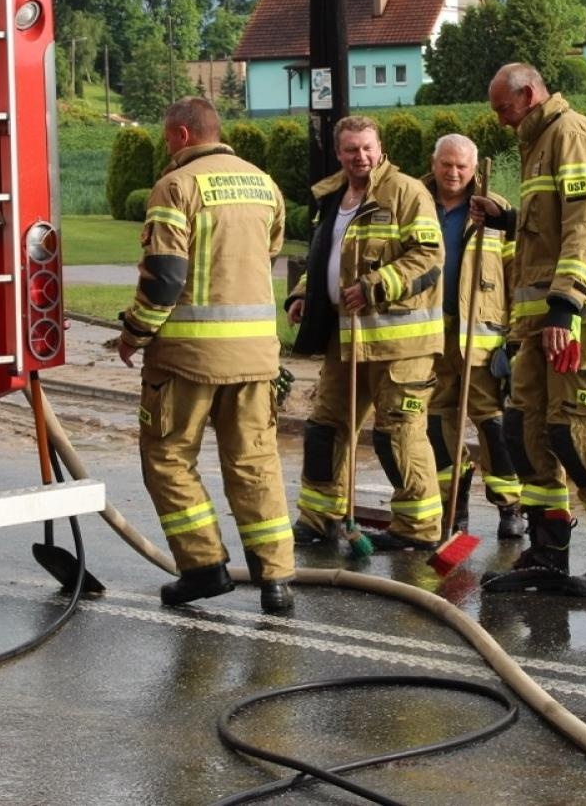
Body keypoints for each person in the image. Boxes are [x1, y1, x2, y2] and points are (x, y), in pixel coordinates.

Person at [116, 97, 296, 613]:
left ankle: (202, 568)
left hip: (187, 360)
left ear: (179, 135)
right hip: (257, 356)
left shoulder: (176, 186)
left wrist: (135, 334)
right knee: (255, 463)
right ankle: (276, 581)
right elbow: (268, 255)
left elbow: (166, 277)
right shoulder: (264, 183)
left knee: (168, 458)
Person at [474, 63, 586, 596]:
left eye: (504, 109)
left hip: (584, 319)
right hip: (542, 327)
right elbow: (549, 224)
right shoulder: (540, 140)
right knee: (528, 430)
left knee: (576, 433)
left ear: (528, 95)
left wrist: (565, 308)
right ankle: (548, 550)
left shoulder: (568, 133)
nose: (501, 121)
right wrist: (507, 219)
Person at [286, 115, 445, 552]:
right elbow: (326, 258)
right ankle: (319, 518)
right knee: (324, 428)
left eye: (368, 148)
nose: (361, 157)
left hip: (401, 344)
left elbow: (430, 256)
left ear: (380, 147)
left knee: (397, 433)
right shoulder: (335, 196)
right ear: (339, 153)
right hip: (347, 339)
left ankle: (418, 527)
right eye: (352, 149)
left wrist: (376, 286)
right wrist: (304, 295)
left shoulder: (407, 192)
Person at [422, 133, 524, 541]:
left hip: (480, 339)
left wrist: (516, 332)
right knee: (435, 423)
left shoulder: (495, 211)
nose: (453, 172)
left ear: (475, 168)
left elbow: (517, 276)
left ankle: (510, 507)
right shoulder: (414, 203)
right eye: (447, 164)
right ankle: (454, 506)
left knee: (493, 424)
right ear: (434, 164)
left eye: (462, 166)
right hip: (429, 334)